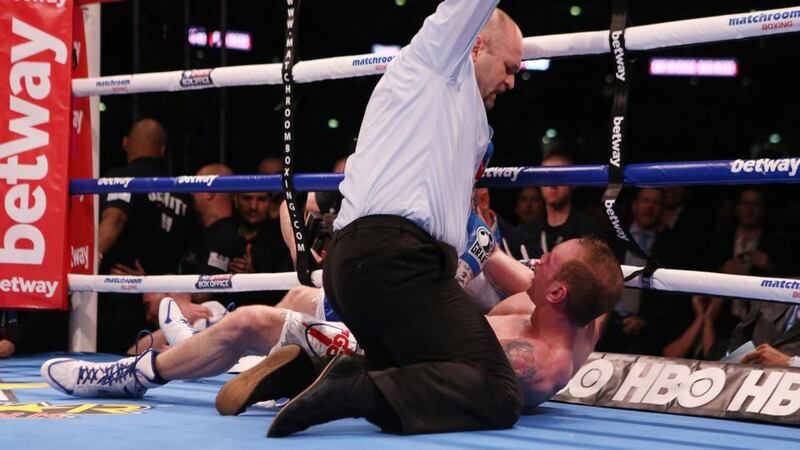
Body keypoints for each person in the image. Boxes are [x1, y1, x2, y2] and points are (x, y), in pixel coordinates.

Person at [40, 238, 623, 420]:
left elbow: (431, 354)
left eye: (548, 261)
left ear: (557, 293)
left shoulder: (528, 359)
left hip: (391, 355)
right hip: (415, 336)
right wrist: (473, 238)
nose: (537, 259)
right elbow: (541, 278)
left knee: (252, 321)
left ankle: (132, 375)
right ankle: (207, 332)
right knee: (303, 296)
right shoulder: (582, 316)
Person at [290, 2, 524, 436]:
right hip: (393, 261)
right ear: (475, 45)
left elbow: (455, 219)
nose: (512, 82)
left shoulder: (467, 120)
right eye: (509, 67)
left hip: (360, 264)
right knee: (498, 389)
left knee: (424, 370)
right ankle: (350, 390)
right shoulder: (437, 61)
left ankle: (302, 371)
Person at [97, 118, 196, 353]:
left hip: (120, 295)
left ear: (125, 143)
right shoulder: (182, 192)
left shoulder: (124, 177)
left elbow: (115, 218)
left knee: (113, 361)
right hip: (163, 302)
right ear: (162, 150)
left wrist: (92, 260)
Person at [533, 149, 605, 257]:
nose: (552, 185)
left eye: (559, 177)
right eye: (546, 176)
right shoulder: (527, 231)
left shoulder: (588, 231)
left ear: (573, 183)